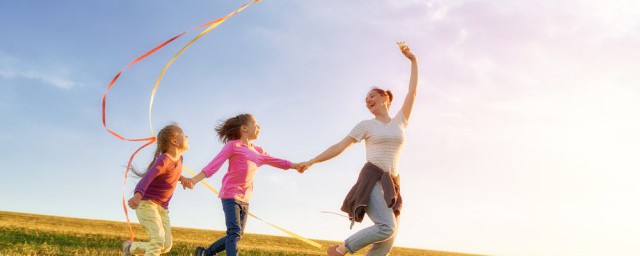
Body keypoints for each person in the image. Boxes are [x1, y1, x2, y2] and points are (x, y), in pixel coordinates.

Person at [298, 43, 418, 256]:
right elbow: (339, 146)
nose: (368, 100)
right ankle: (343, 248)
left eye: (372, 96)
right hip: (373, 180)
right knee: (386, 227)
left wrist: (413, 60)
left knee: (386, 243)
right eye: (366, 99)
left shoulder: (400, 121)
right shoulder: (365, 125)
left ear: (386, 99)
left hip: (394, 184)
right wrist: (312, 161)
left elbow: (412, 91)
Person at [188, 114, 301, 256]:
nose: (259, 127)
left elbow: (277, 161)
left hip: (245, 199)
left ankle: (205, 253)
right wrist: (194, 180)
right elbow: (213, 165)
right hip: (230, 195)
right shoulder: (233, 146)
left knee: (237, 235)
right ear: (244, 128)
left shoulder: (258, 151)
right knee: (234, 233)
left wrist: (295, 166)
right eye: (256, 124)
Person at [122, 124, 194, 256]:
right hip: (146, 204)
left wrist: (182, 178)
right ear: (174, 141)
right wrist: (138, 195)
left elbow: (171, 173)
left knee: (166, 246)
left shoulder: (180, 159)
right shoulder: (163, 160)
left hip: (162, 209)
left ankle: (131, 248)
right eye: (183, 134)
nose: (187, 136)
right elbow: (147, 178)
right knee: (158, 240)